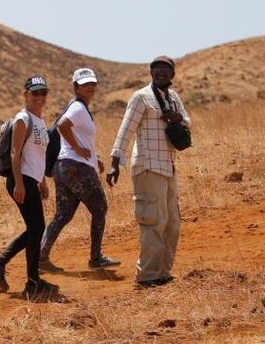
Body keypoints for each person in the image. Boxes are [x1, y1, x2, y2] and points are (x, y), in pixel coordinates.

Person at [106, 56, 191, 288]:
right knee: (153, 220)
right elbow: (126, 129)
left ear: (172, 74)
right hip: (148, 165)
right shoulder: (141, 97)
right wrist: (115, 161)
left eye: (165, 70)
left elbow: (188, 121)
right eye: (156, 70)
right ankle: (147, 276)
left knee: (172, 222)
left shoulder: (173, 98)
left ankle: (163, 272)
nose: (161, 73)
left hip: (168, 166)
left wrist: (179, 117)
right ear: (151, 73)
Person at [0, 76, 60, 297]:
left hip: (30, 180)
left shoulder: (39, 120)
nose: (40, 97)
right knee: (37, 229)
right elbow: (16, 153)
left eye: (43, 93)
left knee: (35, 229)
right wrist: (19, 183)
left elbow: (38, 155)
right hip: (21, 180)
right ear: (25, 94)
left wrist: (42, 182)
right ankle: (32, 283)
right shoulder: (22, 119)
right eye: (35, 93)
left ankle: (2, 264)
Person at [39, 68, 119, 271]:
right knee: (100, 208)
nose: (90, 88)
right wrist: (77, 149)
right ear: (76, 87)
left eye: (92, 84)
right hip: (76, 167)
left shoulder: (78, 107)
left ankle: (41, 257)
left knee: (63, 214)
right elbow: (63, 126)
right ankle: (96, 258)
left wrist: (95, 157)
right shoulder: (78, 108)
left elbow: (77, 135)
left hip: (64, 166)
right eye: (85, 85)